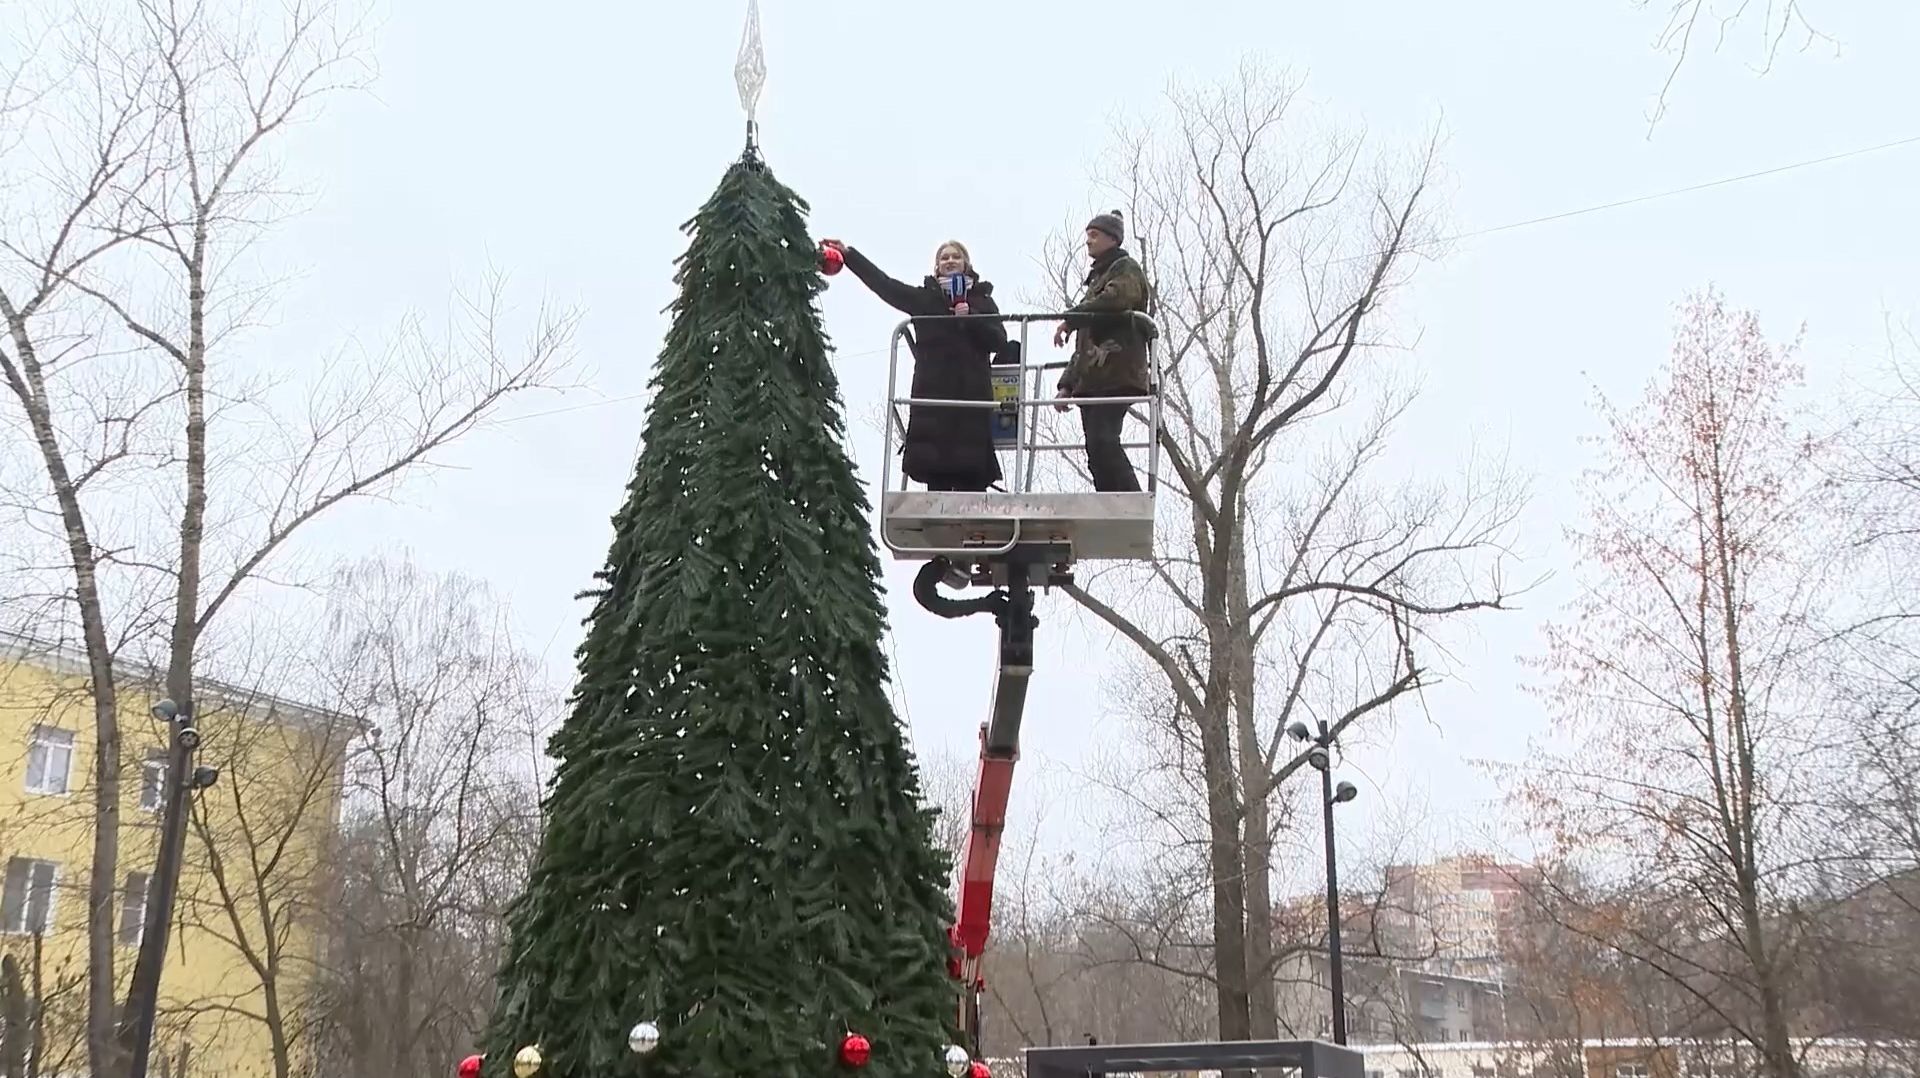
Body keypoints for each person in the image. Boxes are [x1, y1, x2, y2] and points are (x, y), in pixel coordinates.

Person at [822, 238, 1017, 492]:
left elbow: (998, 341)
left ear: (966, 264)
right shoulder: (924, 299)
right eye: (944, 258)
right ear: (936, 267)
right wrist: (849, 256)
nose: (949, 261)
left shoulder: (983, 301)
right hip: (933, 400)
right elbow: (885, 285)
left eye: (955, 257)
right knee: (937, 481)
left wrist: (971, 316)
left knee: (973, 483)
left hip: (972, 398)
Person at [1052, 209, 1152, 492]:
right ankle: (1108, 499)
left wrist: (1072, 317)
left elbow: (1118, 299)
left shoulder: (1125, 268)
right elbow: (1085, 342)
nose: (1088, 242)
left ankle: (1129, 500)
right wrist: (1067, 385)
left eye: (1094, 236)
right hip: (1093, 379)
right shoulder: (1096, 280)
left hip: (1116, 372)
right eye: (1088, 236)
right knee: (1095, 449)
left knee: (1105, 441)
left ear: (1112, 238)